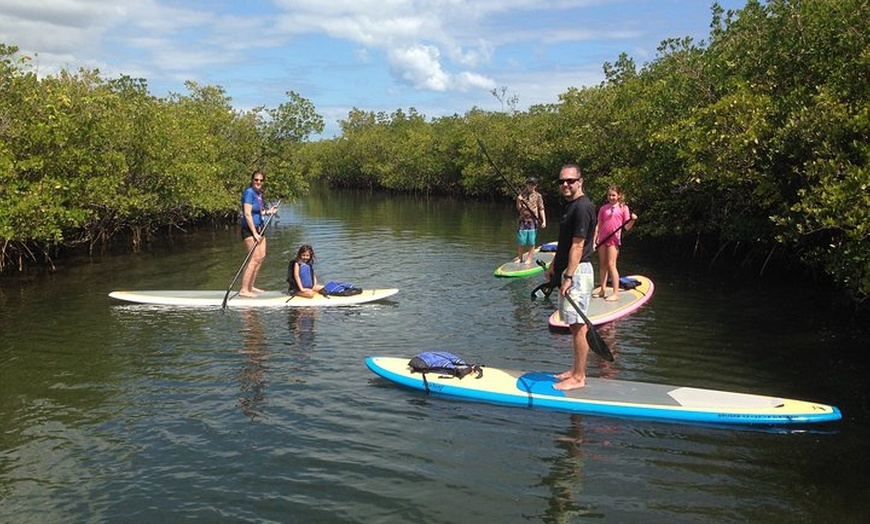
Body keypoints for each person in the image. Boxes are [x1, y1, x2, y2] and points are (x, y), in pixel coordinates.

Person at [544, 164, 597, 391]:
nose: (565, 185)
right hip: (569, 269)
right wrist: (554, 265)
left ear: (580, 181)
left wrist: (568, 276)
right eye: (562, 181)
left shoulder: (583, 208)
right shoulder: (570, 206)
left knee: (578, 327)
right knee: (573, 325)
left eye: (570, 181)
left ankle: (579, 377)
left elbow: (577, 246)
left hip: (578, 271)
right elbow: (564, 242)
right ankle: (575, 371)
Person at [594, 185, 638, 301]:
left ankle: (615, 293)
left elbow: (627, 227)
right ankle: (602, 289)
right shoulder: (603, 208)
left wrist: (633, 220)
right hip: (602, 238)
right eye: (609, 195)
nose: (611, 197)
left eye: (614, 195)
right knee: (602, 265)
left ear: (618, 196)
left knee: (611, 265)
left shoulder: (624, 208)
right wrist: (595, 240)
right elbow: (598, 225)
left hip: (613, 240)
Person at [239, 169, 278, 297]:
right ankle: (244, 290)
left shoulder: (258, 194)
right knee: (254, 259)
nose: (258, 182)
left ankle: (251, 286)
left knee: (261, 257)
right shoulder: (249, 193)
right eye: (256, 180)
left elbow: (259, 212)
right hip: (250, 230)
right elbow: (247, 213)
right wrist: (254, 233)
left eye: (261, 180)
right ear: (252, 180)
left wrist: (269, 212)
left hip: (260, 228)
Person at [515, 177, 547, 265]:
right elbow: (519, 208)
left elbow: (541, 209)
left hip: (533, 220)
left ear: (535, 186)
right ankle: (520, 258)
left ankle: (529, 258)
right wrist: (518, 200)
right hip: (523, 220)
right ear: (527, 184)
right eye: (529, 184)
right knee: (521, 240)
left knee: (532, 241)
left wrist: (544, 221)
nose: (531, 186)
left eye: (533, 184)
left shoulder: (538, 196)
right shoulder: (522, 195)